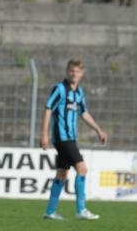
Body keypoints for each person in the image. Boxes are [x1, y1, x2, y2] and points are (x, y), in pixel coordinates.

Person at [40, 59, 108, 221]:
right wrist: (44, 134)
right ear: (67, 71)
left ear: (82, 74)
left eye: (77, 71)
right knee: (82, 169)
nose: (74, 74)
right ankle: (81, 209)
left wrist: (98, 130)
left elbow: (83, 113)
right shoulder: (60, 89)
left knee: (62, 174)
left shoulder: (79, 93)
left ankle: (50, 211)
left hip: (71, 138)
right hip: (62, 138)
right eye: (71, 71)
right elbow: (48, 108)